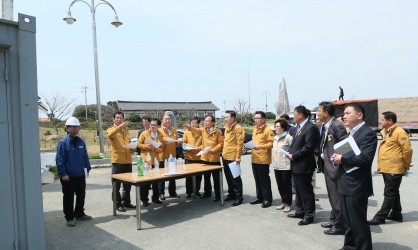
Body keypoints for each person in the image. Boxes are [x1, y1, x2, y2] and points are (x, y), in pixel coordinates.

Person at [332, 103, 377, 250]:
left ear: (359, 115)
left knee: (358, 221)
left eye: (347, 113)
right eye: (343, 113)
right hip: (345, 182)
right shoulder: (350, 132)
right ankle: (350, 246)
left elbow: (365, 159)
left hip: (356, 185)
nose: (344, 116)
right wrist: (338, 156)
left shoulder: (367, 133)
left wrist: (343, 159)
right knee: (349, 220)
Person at [367, 111, 412, 225]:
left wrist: (406, 165)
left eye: (382, 119)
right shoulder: (388, 132)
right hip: (387, 167)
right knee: (393, 191)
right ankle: (396, 213)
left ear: (390, 121)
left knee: (389, 193)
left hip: (394, 168)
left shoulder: (399, 132)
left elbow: (407, 150)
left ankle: (380, 216)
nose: (381, 121)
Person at [316, 101, 347, 235]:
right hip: (328, 166)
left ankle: (340, 226)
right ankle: (334, 220)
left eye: (319, 111)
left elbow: (345, 147)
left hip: (335, 167)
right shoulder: (327, 125)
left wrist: (336, 159)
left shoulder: (337, 126)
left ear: (326, 113)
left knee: (336, 198)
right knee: (332, 196)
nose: (317, 113)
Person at [56, 117, 92, 227]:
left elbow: (85, 157)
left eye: (76, 127)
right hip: (68, 176)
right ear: (67, 128)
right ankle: (69, 217)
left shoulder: (81, 142)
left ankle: (79, 213)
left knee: (81, 195)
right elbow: (60, 159)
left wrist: (87, 168)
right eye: (72, 127)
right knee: (68, 197)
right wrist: (63, 173)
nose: (74, 129)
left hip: (80, 174)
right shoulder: (63, 143)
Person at [287, 106, 320, 226]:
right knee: (299, 190)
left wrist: (294, 155)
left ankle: (309, 215)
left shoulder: (311, 127)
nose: (293, 116)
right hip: (296, 163)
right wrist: (290, 152)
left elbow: (308, 147)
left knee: (306, 191)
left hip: (304, 164)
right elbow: (297, 144)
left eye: (294, 114)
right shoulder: (298, 127)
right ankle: (300, 211)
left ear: (300, 115)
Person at [183, 115, 224, 201]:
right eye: (204, 121)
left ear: (212, 123)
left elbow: (221, 143)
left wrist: (212, 150)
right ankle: (207, 193)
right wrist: (190, 127)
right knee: (206, 178)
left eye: (207, 121)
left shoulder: (218, 132)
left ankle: (218, 195)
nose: (205, 122)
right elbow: (196, 130)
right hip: (205, 158)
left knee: (216, 178)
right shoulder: (203, 130)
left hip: (214, 158)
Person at [107, 111, 136, 212]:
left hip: (128, 161)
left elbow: (128, 142)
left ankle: (126, 202)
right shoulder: (111, 130)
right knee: (116, 185)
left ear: (123, 119)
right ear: (114, 119)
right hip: (117, 162)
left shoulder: (127, 131)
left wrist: (133, 147)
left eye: (121, 118)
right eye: (117, 118)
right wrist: (119, 127)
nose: (119, 120)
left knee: (127, 185)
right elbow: (110, 134)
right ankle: (117, 203)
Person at [247, 111, 274, 208]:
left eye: (258, 118)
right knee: (257, 179)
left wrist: (260, 146)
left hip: (263, 159)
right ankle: (260, 197)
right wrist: (249, 147)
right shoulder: (255, 129)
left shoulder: (268, 130)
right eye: (255, 118)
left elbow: (271, 144)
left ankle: (267, 199)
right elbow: (254, 143)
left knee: (264, 180)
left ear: (263, 119)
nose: (255, 120)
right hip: (254, 158)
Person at [137, 118, 164, 206]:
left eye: (154, 125)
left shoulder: (160, 135)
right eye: (151, 124)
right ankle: (144, 199)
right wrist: (148, 147)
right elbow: (138, 144)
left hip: (155, 161)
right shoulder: (144, 133)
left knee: (156, 181)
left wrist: (157, 149)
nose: (152, 126)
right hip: (146, 161)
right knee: (145, 181)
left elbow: (162, 148)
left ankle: (155, 198)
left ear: (158, 126)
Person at [222, 110, 245, 206]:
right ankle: (231, 194)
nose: (225, 119)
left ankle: (239, 197)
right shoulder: (227, 128)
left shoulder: (238, 128)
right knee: (228, 177)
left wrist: (238, 157)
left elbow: (240, 143)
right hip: (225, 156)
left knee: (235, 178)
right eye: (225, 117)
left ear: (233, 118)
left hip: (233, 157)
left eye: (227, 117)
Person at [272, 119, 293, 212]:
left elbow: (294, 148)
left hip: (285, 166)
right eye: (275, 126)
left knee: (286, 185)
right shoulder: (275, 137)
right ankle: (283, 201)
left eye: (278, 126)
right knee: (280, 185)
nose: (276, 128)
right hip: (276, 165)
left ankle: (288, 203)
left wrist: (290, 154)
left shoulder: (288, 137)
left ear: (283, 128)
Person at [158, 114, 181, 200]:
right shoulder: (159, 131)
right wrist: (163, 143)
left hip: (172, 156)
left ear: (171, 121)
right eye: (165, 119)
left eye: (169, 119)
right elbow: (157, 142)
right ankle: (161, 193)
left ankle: (172, 192)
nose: (167, 121)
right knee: (162, 176)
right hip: (162, 156)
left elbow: (175, 142)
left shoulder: (174, 130)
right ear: (162, 121)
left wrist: (178, 142)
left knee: (172, 176)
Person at [183, 116, 203, 198]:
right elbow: (184, 143)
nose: (193, 124)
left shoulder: (202, 132)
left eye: (195, 123)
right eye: (192, 123)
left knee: (198, 176)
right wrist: (188, 147)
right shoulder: (186, 132)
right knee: (188, 176)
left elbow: (205, 143)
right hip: (189, 157)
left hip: (199, 157)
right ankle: (189, 192)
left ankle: (197, 191)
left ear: (198, 124)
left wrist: (199, 148)